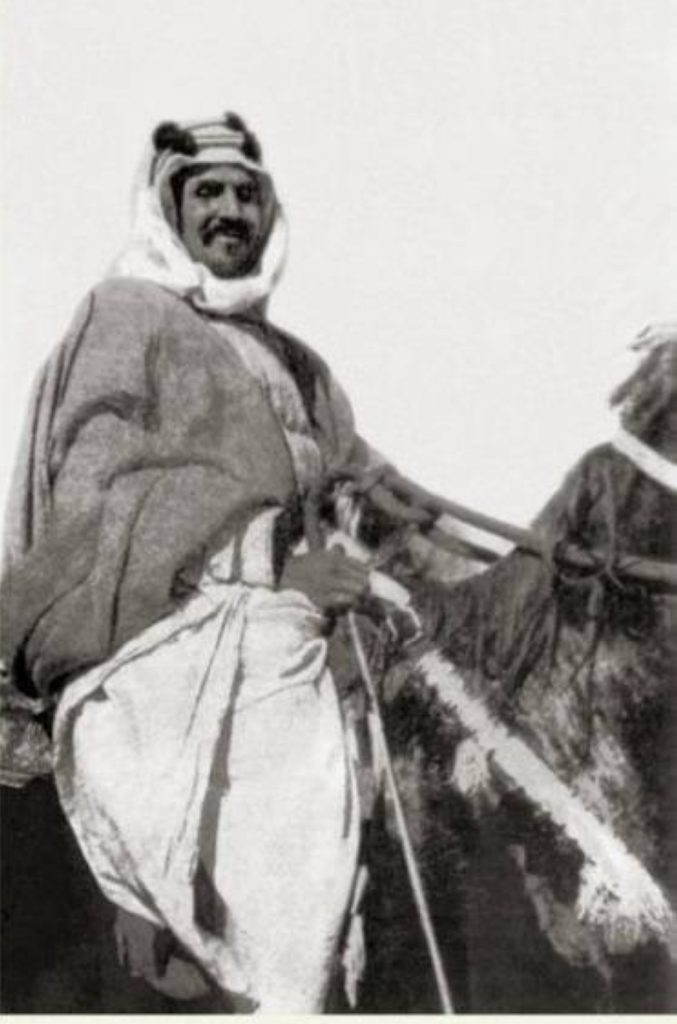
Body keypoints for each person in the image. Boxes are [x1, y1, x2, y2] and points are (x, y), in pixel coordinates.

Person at [0, 113, 430, 1012]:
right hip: (164, 618)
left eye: (246, 194)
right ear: (168, 208)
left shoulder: (296, 360)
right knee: (277, 675)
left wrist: (395, 500)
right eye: (208, 193)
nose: (231, 211)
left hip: (303, 595)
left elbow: (349, 471)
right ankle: (279, 987)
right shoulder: (124, 314)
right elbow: (99, 492)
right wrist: (264, 557)